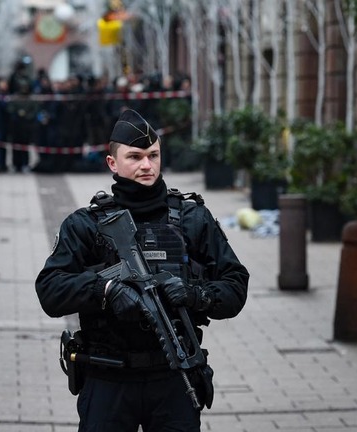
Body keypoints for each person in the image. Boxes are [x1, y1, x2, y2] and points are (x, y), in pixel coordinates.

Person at [35, 109, 249, 431]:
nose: (146, 166)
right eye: (134, 157)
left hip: (174, 378)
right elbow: (50, 289)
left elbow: (235, 284)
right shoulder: (86, 225)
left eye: (153, 155)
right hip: (108, 379)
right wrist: (104, 290)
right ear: (112, 163)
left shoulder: (192, 219)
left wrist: (197, 295)